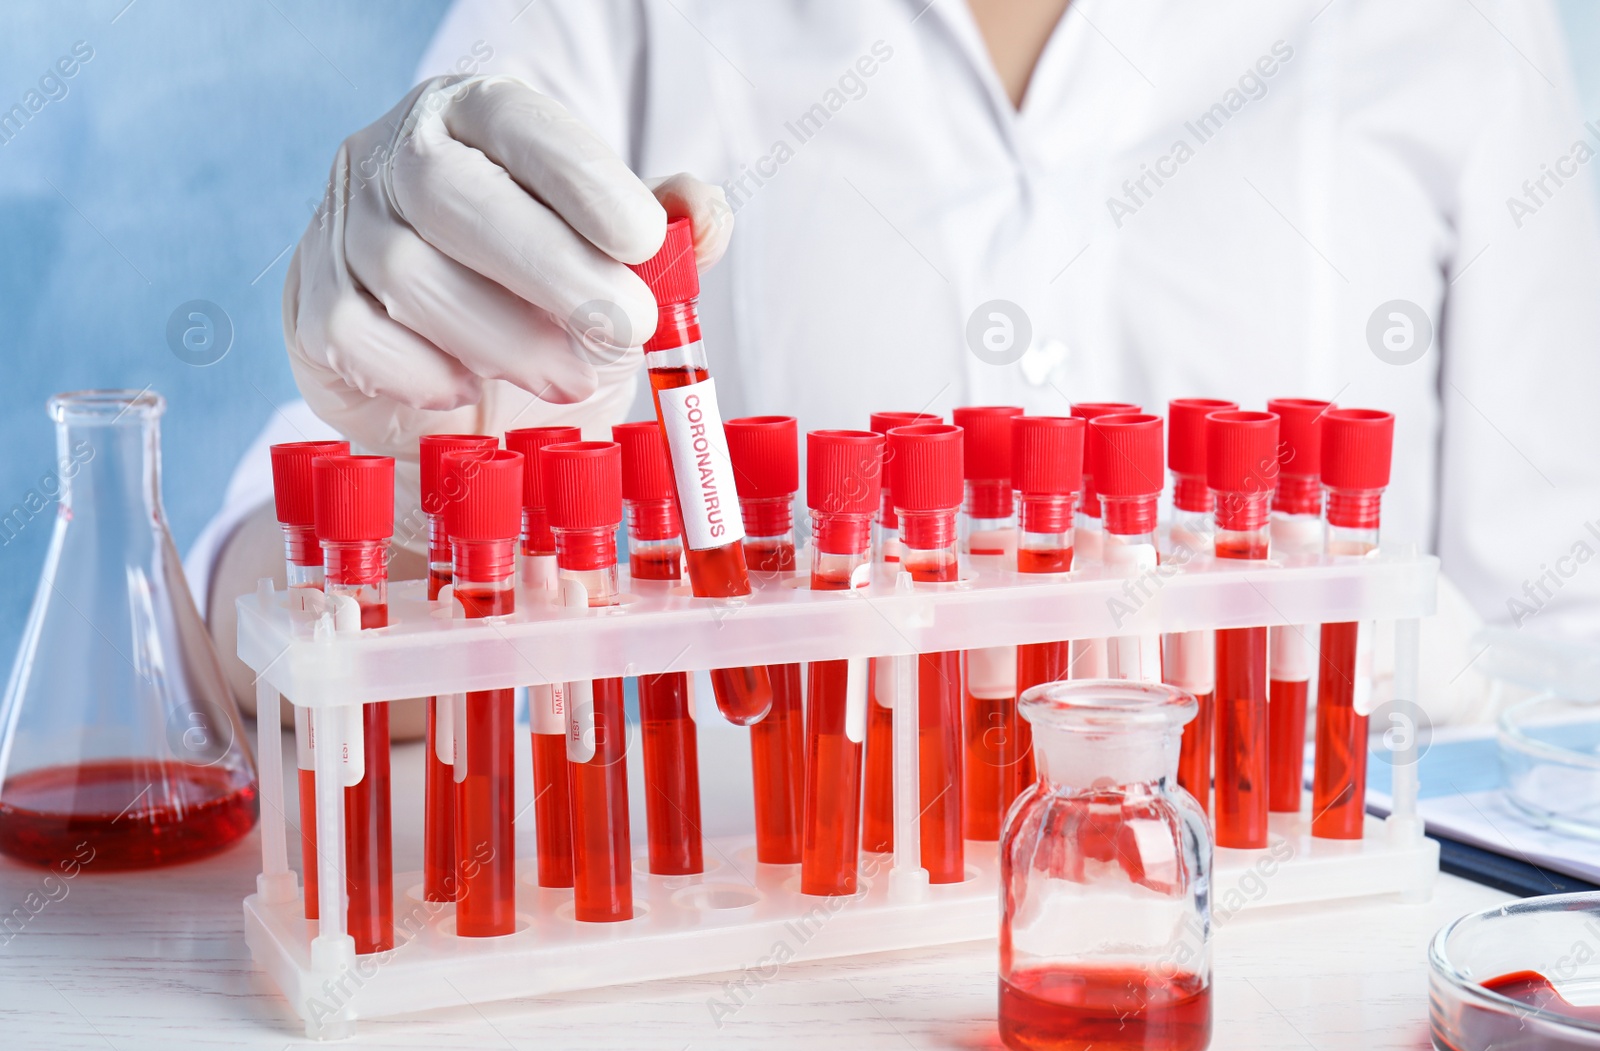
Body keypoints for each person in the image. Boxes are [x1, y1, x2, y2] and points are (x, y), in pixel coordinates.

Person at [194, 0, 1600, 731]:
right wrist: (397, 464)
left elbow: (1568, 653)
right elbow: (242, 641)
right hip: (754, 965)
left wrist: (1424, 681)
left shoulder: (1458, 29)